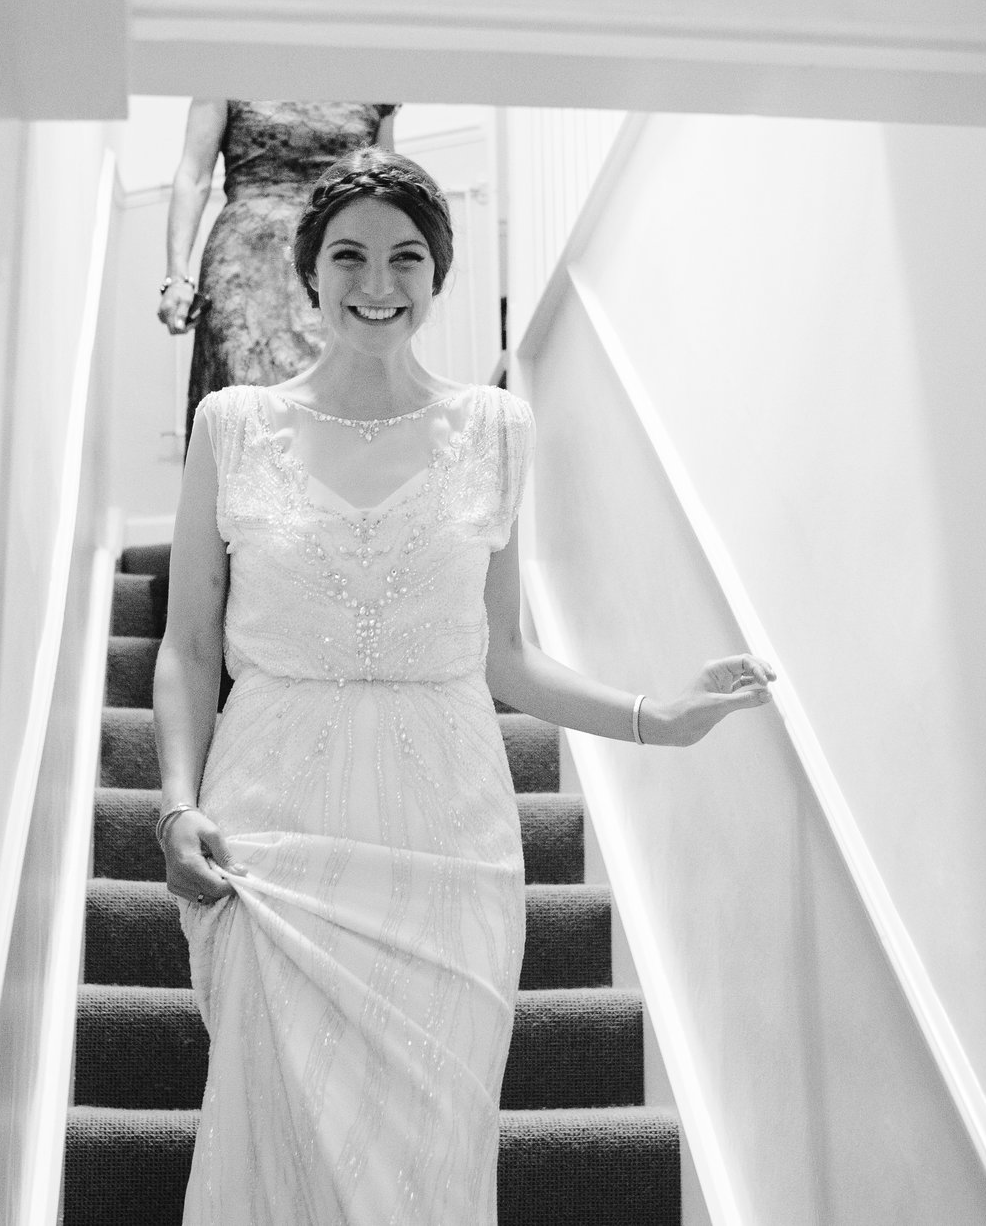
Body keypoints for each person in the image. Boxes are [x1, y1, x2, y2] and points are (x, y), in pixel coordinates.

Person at [149, 149, 776, 1225]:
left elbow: (505, 655)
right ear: (308, 272)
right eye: (347, 254)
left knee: (425, 1161)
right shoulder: (232, 424)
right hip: (269, 822)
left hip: (447, 829)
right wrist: (175, 802)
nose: (376, 281)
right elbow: (188, 645)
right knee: (276, 1130)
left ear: (436, 274)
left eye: (405, 256)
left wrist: (652, 718)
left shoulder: (494, 430)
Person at [157, 99, 397, 447]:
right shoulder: (225, 58)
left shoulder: (370, 75)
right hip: (244, 264)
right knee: (244, 408)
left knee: (334, 412)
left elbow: (385, 191)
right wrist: (176, 276)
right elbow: (193, 175)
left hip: (337, 265)